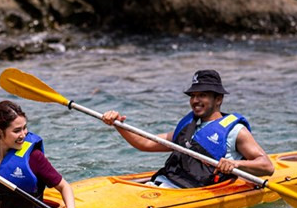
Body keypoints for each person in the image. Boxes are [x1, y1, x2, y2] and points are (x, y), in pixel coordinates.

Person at [101, 70, 274, 188]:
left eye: (202, 95)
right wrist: (118, 124)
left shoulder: (235, 131)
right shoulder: (190, 126)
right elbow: (145, 143)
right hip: (162, 184)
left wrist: (235, 163)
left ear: (218, 99)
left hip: (190, 193)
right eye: (193, 95)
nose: (195, 100)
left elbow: (267, 166)